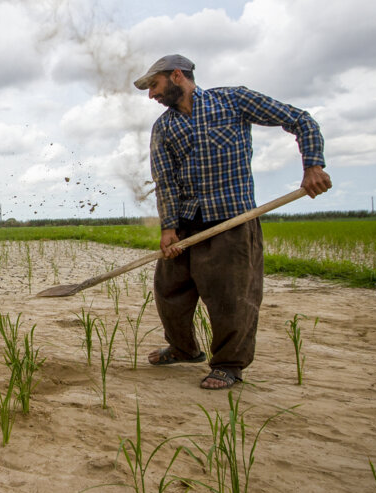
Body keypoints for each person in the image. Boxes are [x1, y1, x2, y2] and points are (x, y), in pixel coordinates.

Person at [134, 54, 332, 389]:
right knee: (169, 291)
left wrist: (313, 165)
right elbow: (165, 180)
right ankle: (184, 349)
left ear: (177, 76)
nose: (151, 95)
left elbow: (300, 119)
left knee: (231, 297)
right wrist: (168, 228)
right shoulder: (164, 127)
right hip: (186, 224)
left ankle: (229, 365)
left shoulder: (233, 101)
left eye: (154, 85)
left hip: (232, 220)